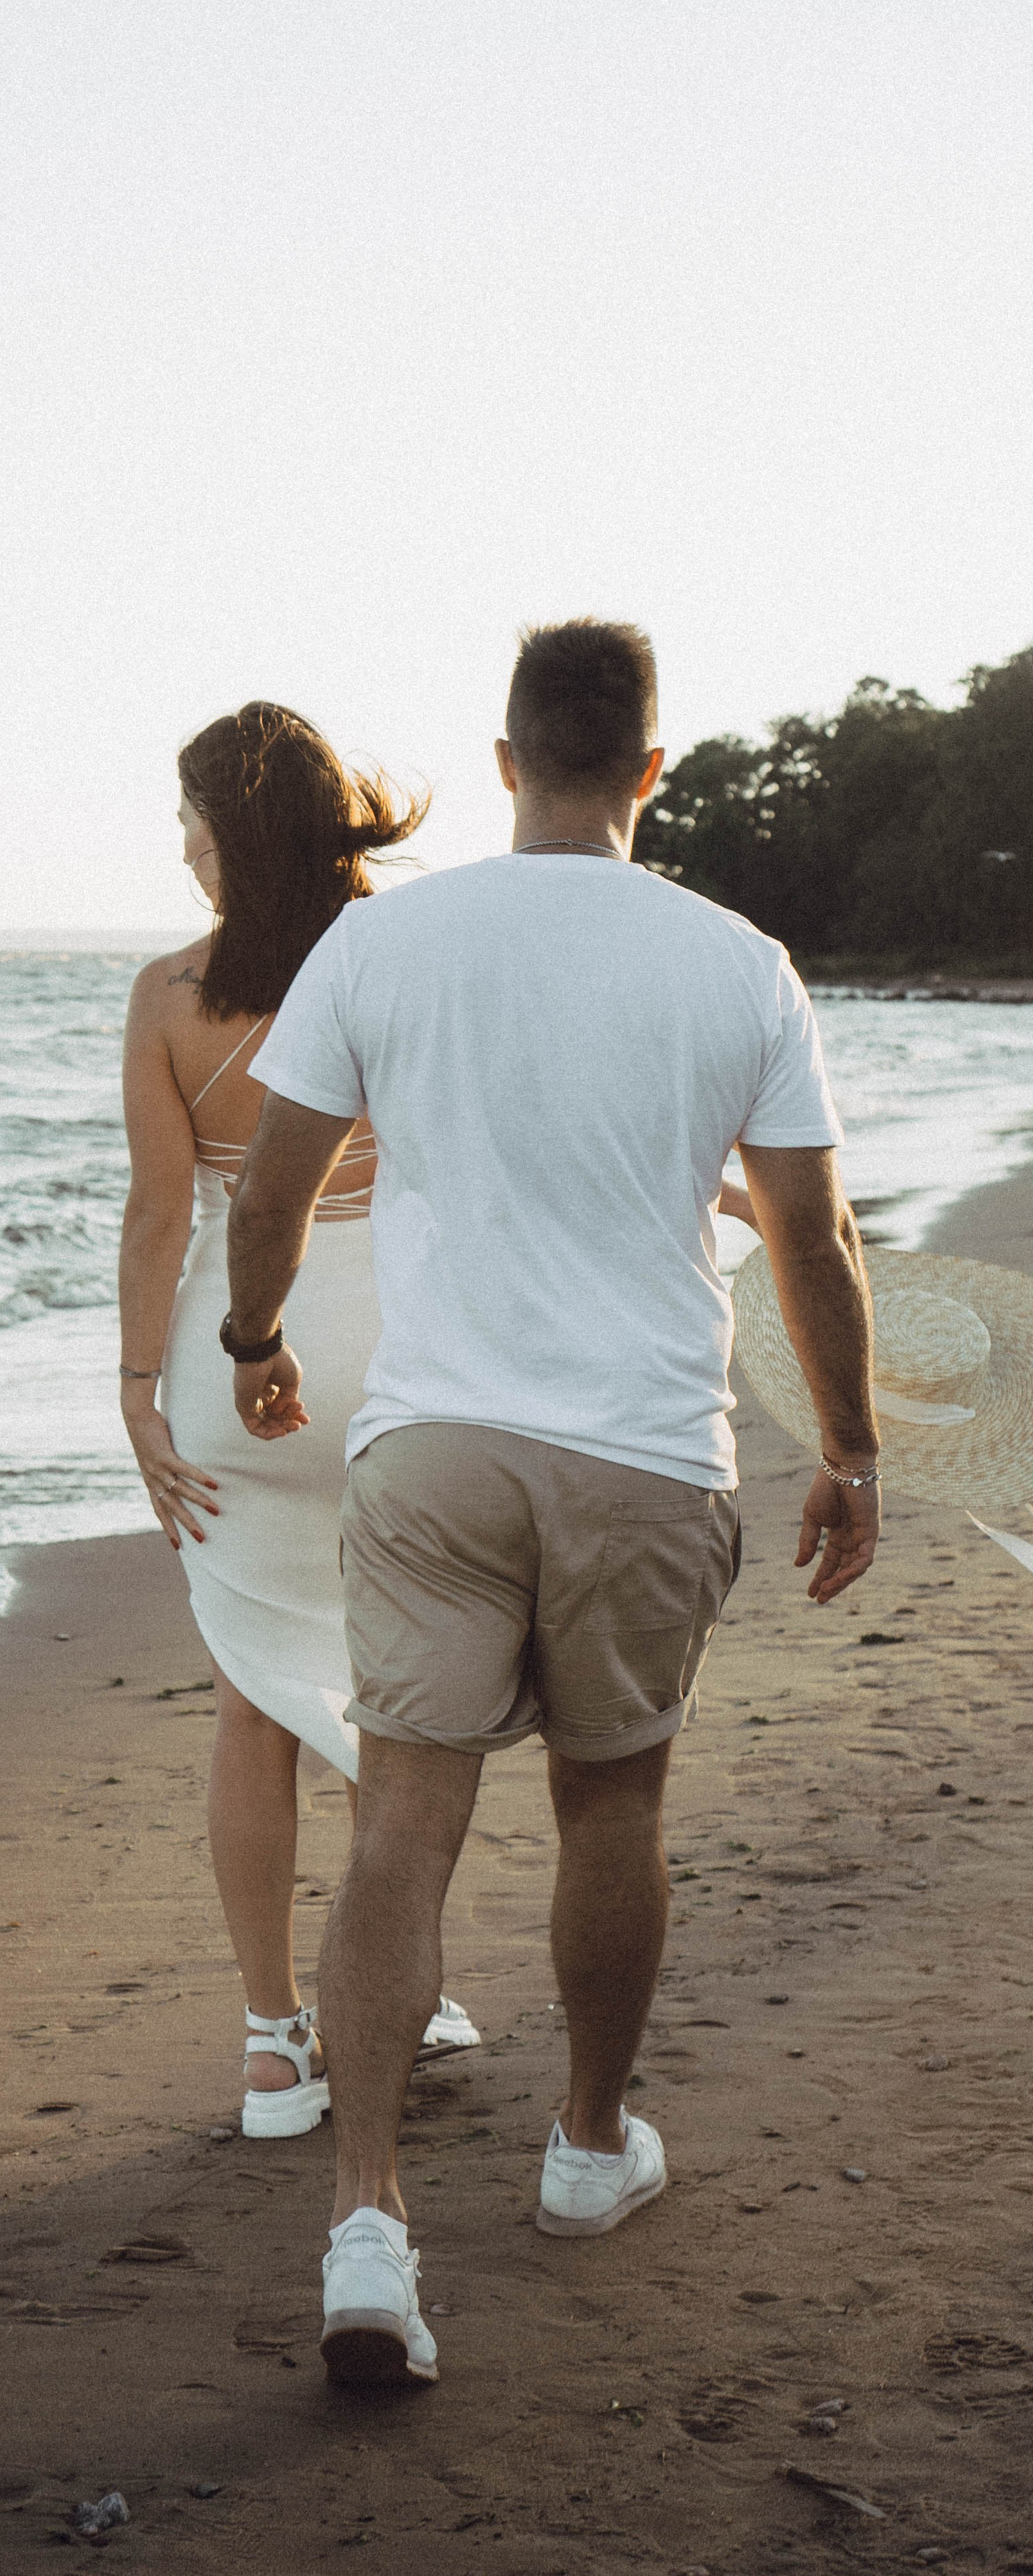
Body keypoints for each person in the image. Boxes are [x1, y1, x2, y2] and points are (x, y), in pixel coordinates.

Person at [221, 621, 880, 2386]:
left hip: (434, 1448)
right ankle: (587, 2151)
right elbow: (807, 1235)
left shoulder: (385, 939)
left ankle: (367, 2226)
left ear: (505, 762)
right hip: (645, 1451)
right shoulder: (739, 964)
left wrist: (253, 1343)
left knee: (399, 1827)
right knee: (611, 1809)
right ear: (648, 770)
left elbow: (271, 1190)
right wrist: (850, 1447)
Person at [118, 703, 481, 2140]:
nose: (181, 846)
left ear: (234, 831)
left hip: (238, 1359)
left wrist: (137, 1393)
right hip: (397, 1356)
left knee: (251, 1696)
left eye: (190, 817)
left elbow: (161, 1215)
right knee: (390, 1688)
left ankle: (275, 2044)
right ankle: (408, 1991)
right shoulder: (409, 958)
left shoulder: (165, 995)